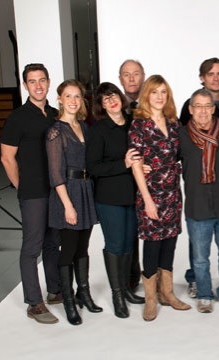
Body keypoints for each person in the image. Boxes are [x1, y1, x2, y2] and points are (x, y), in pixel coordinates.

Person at [0, 63, 61, 324]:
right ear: (25, 85)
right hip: (33, 192)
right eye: (32, 81)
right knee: (32, 247)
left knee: (52, 244)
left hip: (56, 191)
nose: (38, 85)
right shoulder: (17, 117)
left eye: (42, 80)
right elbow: (6, 158)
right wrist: (21, 186)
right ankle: (34, 303)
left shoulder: (56, 115)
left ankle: (56, 291)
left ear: (48, 82)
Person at [129, 75, 191, 321]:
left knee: (170, 242)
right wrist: (147, 200)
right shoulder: (139, 125)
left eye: (163, 92)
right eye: (154, 92)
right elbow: (136, 164)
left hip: (173, 193)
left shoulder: (174, 123)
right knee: (152, 244)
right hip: (151, 193)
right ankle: (151, 299)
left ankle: (168, 293)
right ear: (147, 95)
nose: (159, 96)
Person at [178, 58, 219, 298]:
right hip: (197, 205)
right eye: (197, 106)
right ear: (191, 109)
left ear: (214, 108)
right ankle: (203, 293)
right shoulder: (181, 135)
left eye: (207, 106)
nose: (203, 110)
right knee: (200, 258)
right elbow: (168, 159)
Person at [86, 82, 146, 319]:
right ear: (101, 106)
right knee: (115, 245)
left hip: (132, 195)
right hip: (109, 197)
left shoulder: (133, 123)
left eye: (113, 96)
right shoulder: (99, 130)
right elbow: (93, 167)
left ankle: (128, 290)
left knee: (129, 244)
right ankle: (117, 295)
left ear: (120, 97)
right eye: (105, 99)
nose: (111, 101)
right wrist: (123, 163)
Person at [46, 79, 102, 326]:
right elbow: (55, 173)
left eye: (77, 96)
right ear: (59, 99)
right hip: (67, 192)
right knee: (67, 250)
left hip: (85, 189)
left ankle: (84, 293)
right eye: (68, 96)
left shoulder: (83, 127)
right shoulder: (55, 131)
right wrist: (68, 205)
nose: (73, 101)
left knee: (82, 248)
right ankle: (68, 300)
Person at [119, 59, 146, 291]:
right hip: (121, 178)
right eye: (126, 74)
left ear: (143, 77)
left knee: (148, 228)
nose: (131, 78)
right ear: (120, 80)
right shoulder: (113, 105)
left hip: (148, 178)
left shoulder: (152, 104)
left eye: (136, 73)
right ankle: (128, 277)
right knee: (127, 231)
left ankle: (149, 275)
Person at [179, 57, 219, 127]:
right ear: (202, 78)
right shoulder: (191, 104)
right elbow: (183, 133)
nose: (216, 79)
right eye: (210, 74)